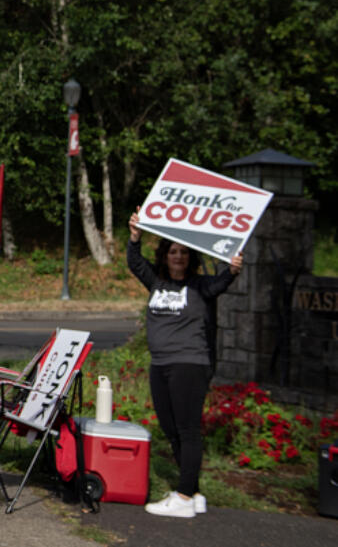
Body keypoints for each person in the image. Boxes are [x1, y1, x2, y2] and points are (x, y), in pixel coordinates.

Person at [128, 209, 243, 519]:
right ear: (165, 255)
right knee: (170, 428)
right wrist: (135, 236)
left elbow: (221, 283)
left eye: (183, 252)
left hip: (189, 364)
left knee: (188, 430)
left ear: (190, 257)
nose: (178, 256)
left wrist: (232, 269)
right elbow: (135, 263)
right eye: (173, 251)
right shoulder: (156, 280)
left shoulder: (200, 285)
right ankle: (193, 492)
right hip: (160, 364)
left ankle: (182, 496)